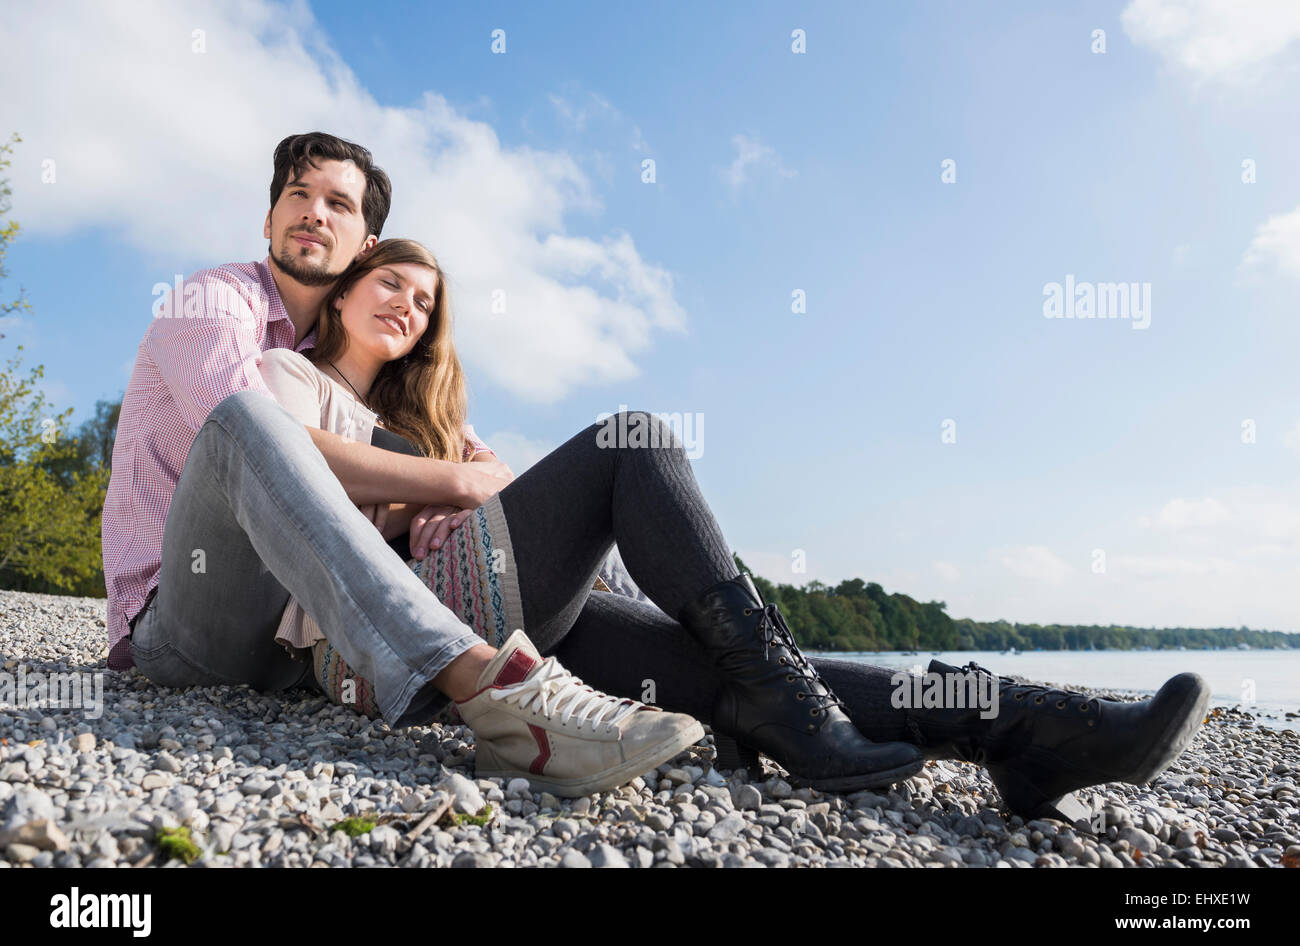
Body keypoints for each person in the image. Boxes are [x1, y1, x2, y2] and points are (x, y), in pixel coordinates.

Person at [255, 234, 1211, 825]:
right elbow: (296, 461)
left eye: (424, 303)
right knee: (632, 440)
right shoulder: (296, 379)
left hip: (517, 620)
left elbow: (502, 504)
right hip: (391, 637)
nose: (408, 307)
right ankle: (791, 711)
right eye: (390, 284)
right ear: (341, 293)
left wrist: (469, 471)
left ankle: (1028, 725)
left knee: (743, 673)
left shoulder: (442, 422)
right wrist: (460, 477)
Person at [102, 131, 704, 797]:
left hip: (299, 653)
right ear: (269, 219)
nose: (314, 212)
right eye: (298, 195)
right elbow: (275, 446)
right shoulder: (216, 302)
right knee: (246, 418)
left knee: (627, 588)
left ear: (363, 245)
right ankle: (486, 684)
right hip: (182, 627)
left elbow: (478, 457)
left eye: (338, 202)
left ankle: (781, 688)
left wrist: (459, 484)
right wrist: (449, 481)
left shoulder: (347, 357)